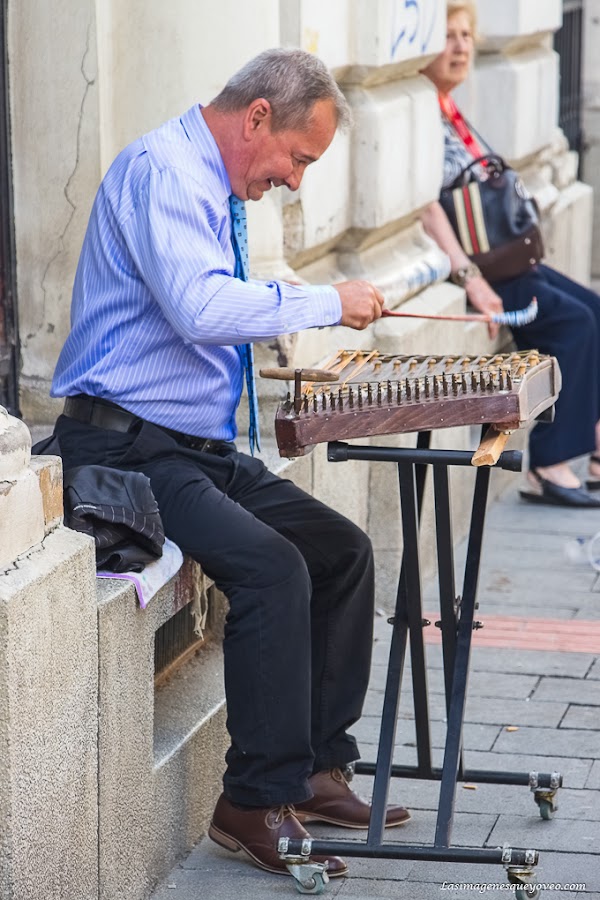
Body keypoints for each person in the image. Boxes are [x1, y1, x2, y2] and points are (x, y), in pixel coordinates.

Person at [49, 48, 411, 878]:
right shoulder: (165, 171)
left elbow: (203, 309)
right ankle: (252, 799)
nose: (294, 181)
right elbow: (201, 306)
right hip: (124, 450)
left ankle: (315, 769)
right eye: (298, 158)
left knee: (342, 551)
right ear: (256, 117)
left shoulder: (209, 183)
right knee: (272, 569)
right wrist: (326, 301)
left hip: (191, 448)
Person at [420, 0, 600, 508]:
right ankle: (547, 465)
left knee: (594, 308)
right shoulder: (421, 116)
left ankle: (594, 446)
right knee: (575, 324)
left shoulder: (449, 109)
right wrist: (471, 280)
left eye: (466, 35)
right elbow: (426, 208)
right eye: (448, 36)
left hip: (509, 260)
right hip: (490, 271)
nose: (460, 47)